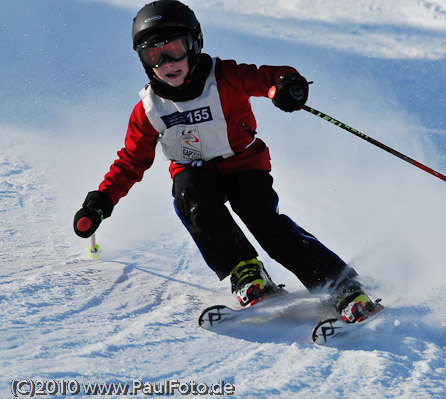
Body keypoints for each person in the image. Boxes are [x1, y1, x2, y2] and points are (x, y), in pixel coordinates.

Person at [73, 0, 379, 323]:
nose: (167, 62)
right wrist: (100, 201)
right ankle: (244, 270)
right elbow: (131, 162)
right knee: (190, 196)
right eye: (155, 56)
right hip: (195, 175)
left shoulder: (224, 77)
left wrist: (287, 86)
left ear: (194, 44)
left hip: (244, 165)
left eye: (175, 49)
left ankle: (340, 284)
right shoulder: (149, 110)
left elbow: (266, 78)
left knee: (264, 221)